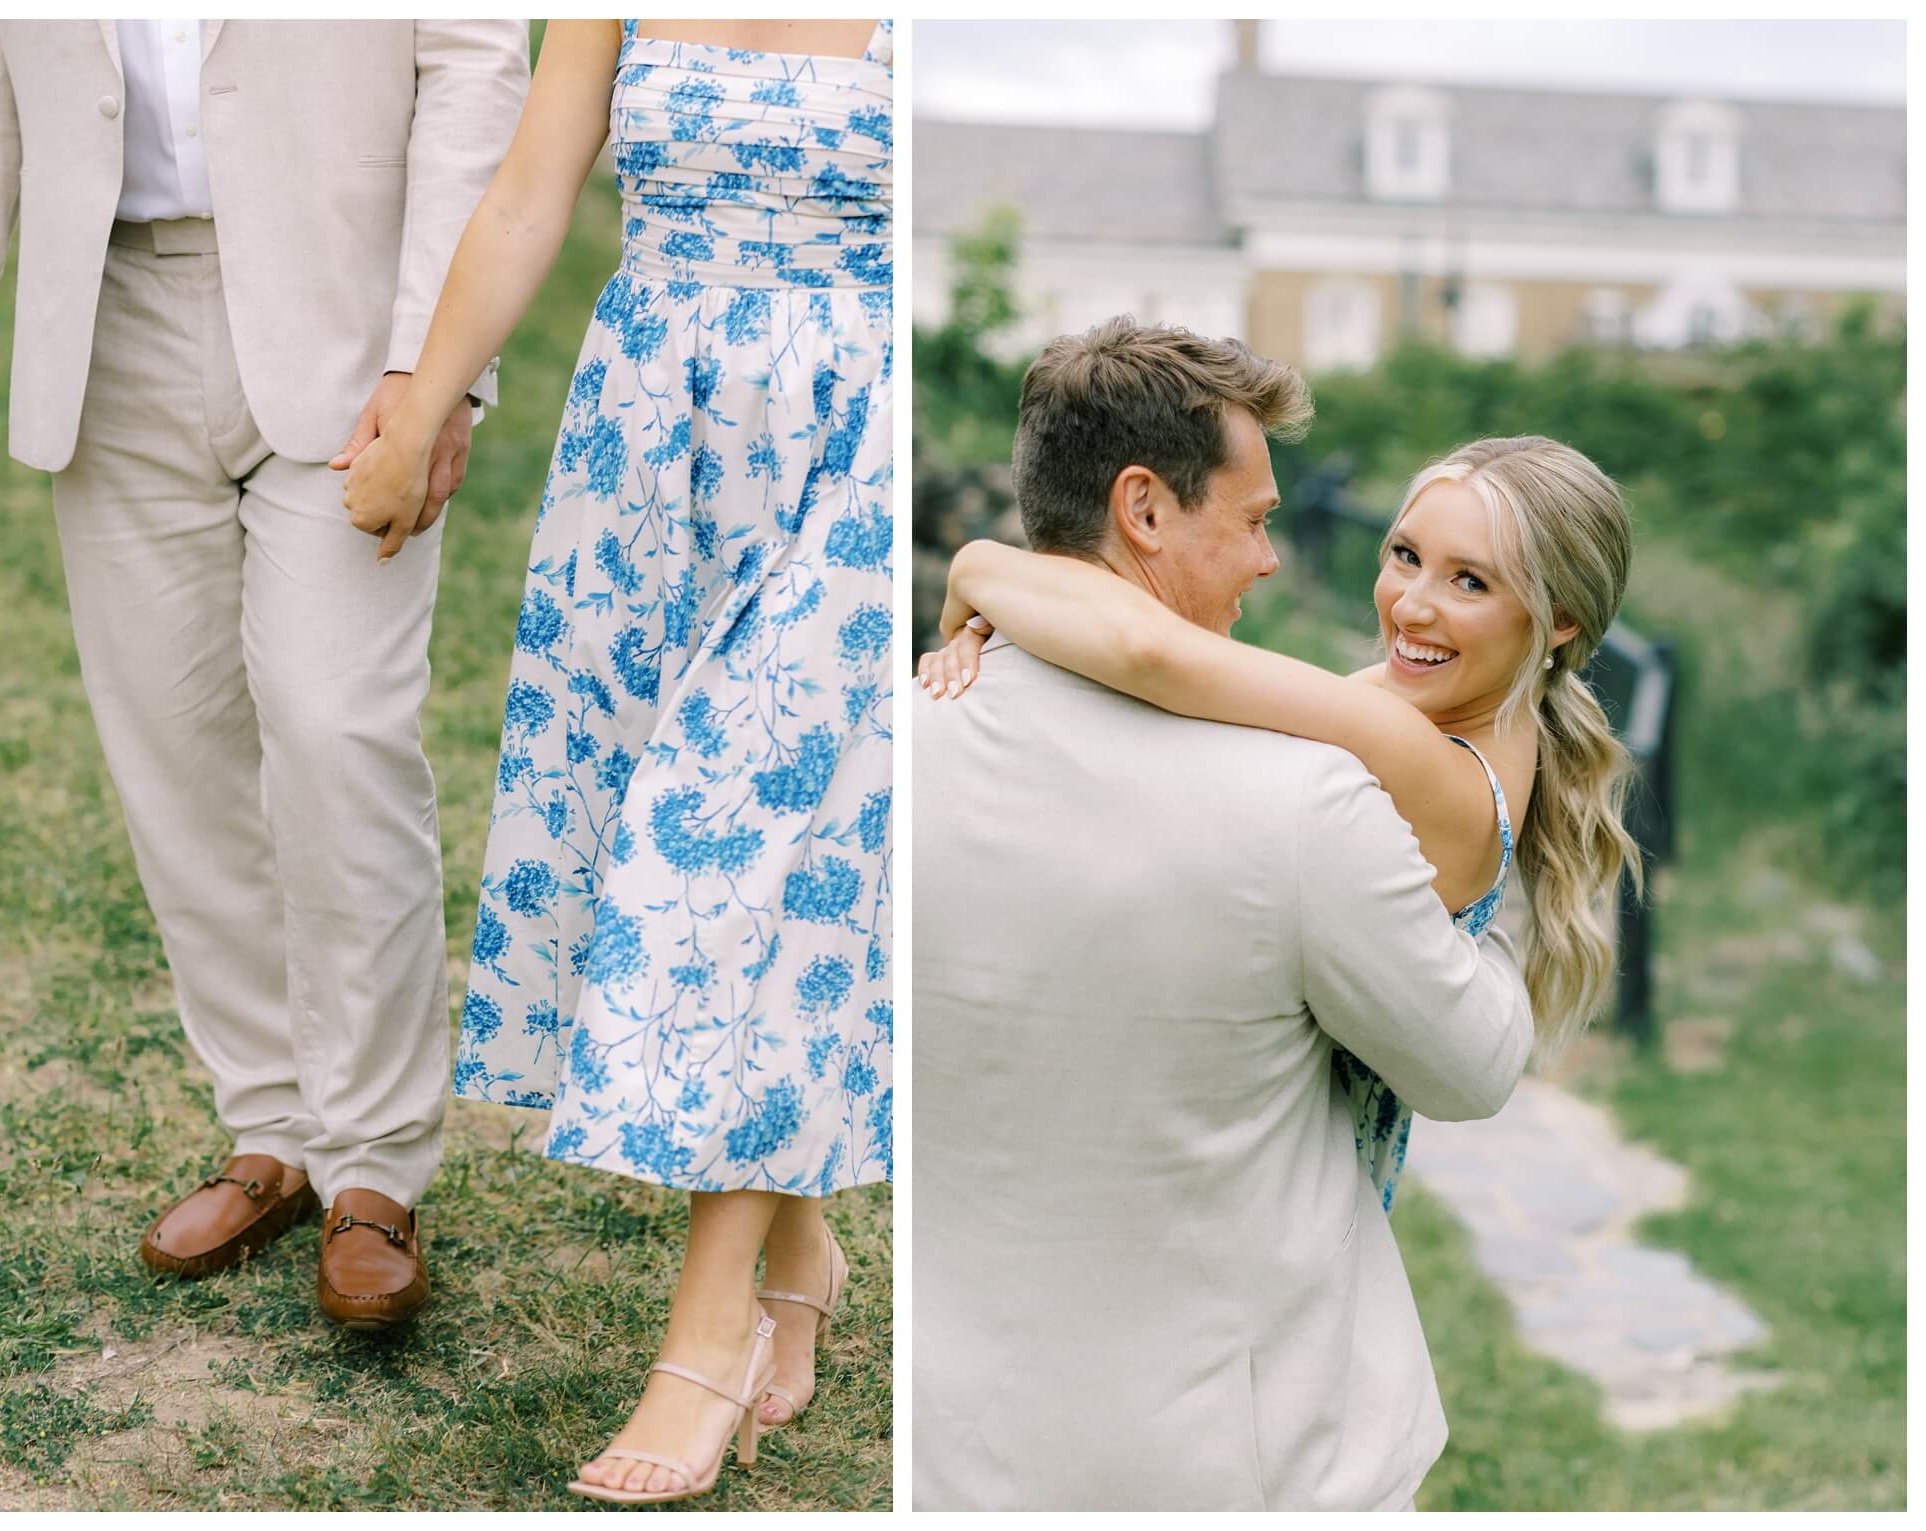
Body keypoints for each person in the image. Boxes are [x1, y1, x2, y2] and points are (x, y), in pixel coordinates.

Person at [0, 21, 527, 1328]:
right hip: (108, 316)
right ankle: (275, 1127)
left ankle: (373, 1163)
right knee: (172, 753)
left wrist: (438, 358)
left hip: (357, 324)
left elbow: (474, 69)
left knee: (336, 728)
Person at [340, 18, 894, 1506]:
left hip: (856, 450)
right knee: (649, 825)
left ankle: (700, 1351)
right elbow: (532, 190)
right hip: (649, 444)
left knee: (738, 843)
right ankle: (797, 1238)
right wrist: (425, 399)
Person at [912, 317, 1539, 1511]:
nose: (1267, 562)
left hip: (952, 1455)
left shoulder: (903, 731)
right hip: (1253, 1463)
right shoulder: (1302, 804)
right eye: (1253, 522)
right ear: (1142, 511)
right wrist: (1497, 880)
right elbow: (1473, 1063)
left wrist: (986, 573)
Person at [922, 433, 1642, 1212]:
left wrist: (980, 570)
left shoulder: (1424, 759)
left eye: (1469, 581)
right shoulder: (1441, 715)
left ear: (1560, 619)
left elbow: (1153, 654)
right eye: (1405, 555)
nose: (1411, 604)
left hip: (1273, 1198)